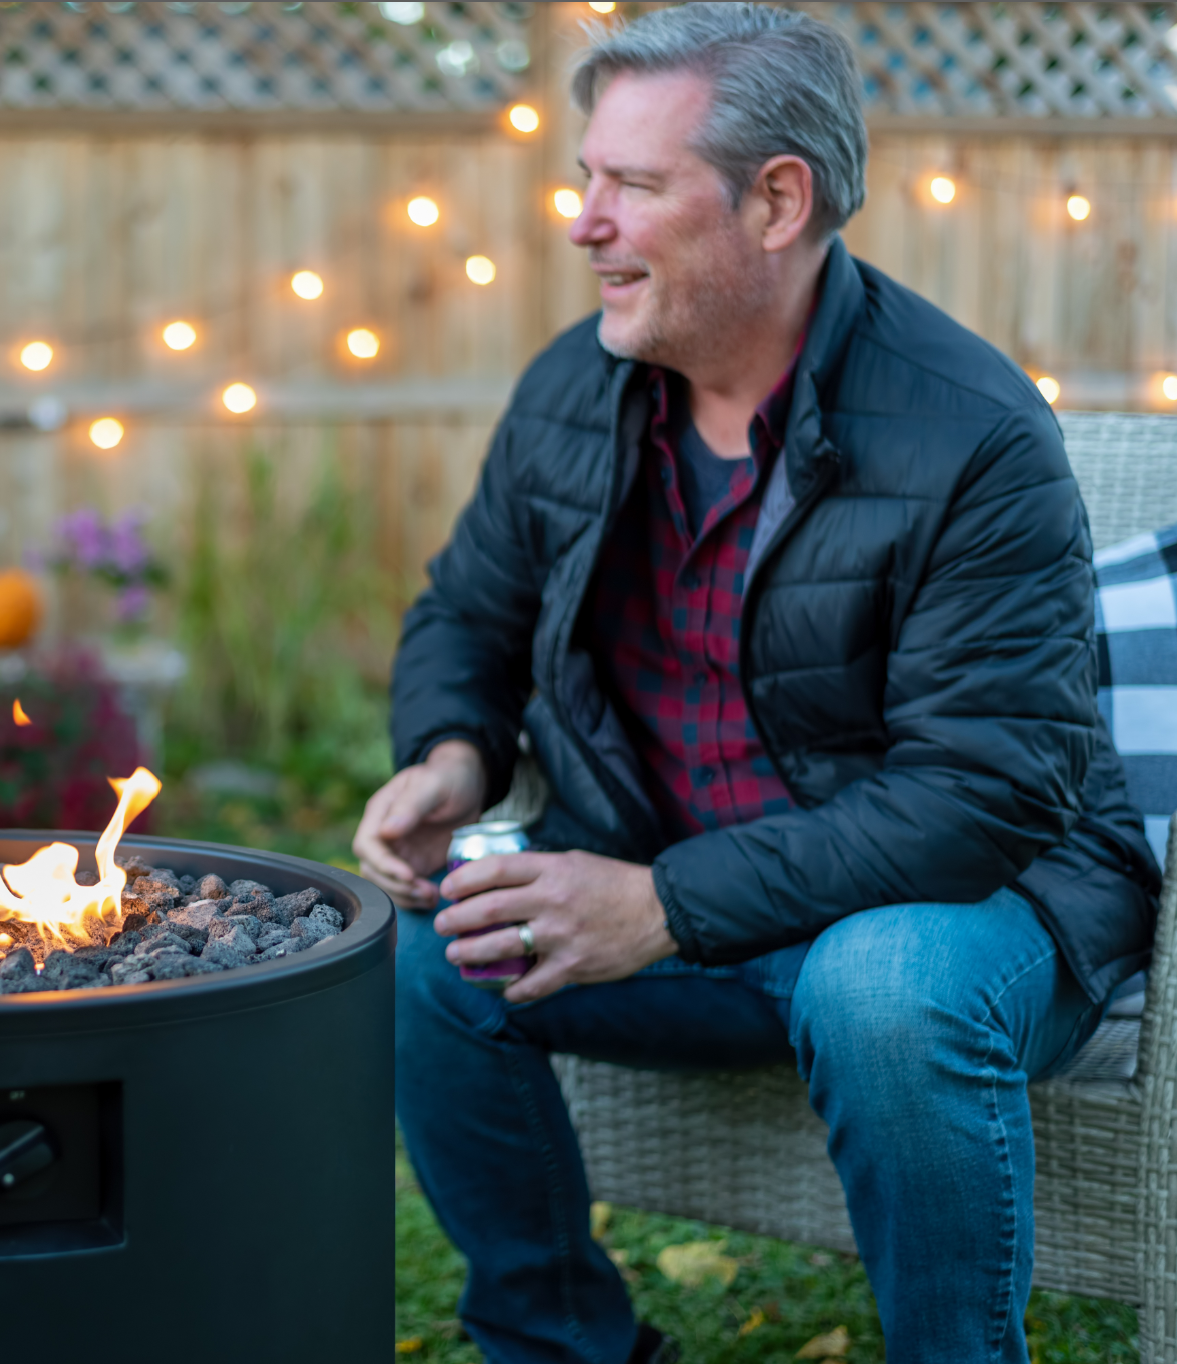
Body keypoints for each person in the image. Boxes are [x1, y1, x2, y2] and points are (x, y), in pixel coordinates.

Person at [353, 7, 1162, 1362]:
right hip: (697, 893)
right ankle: (562, 1349)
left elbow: (986, 791)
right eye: (585, 177)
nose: (584, 222)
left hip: (972, 912)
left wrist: (663, 905)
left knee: (877, 989)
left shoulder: (972, 435)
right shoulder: (575, 388)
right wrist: (451, 756)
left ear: (777, 201)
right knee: (428, 956)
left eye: (635, 186)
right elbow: (467, 615)